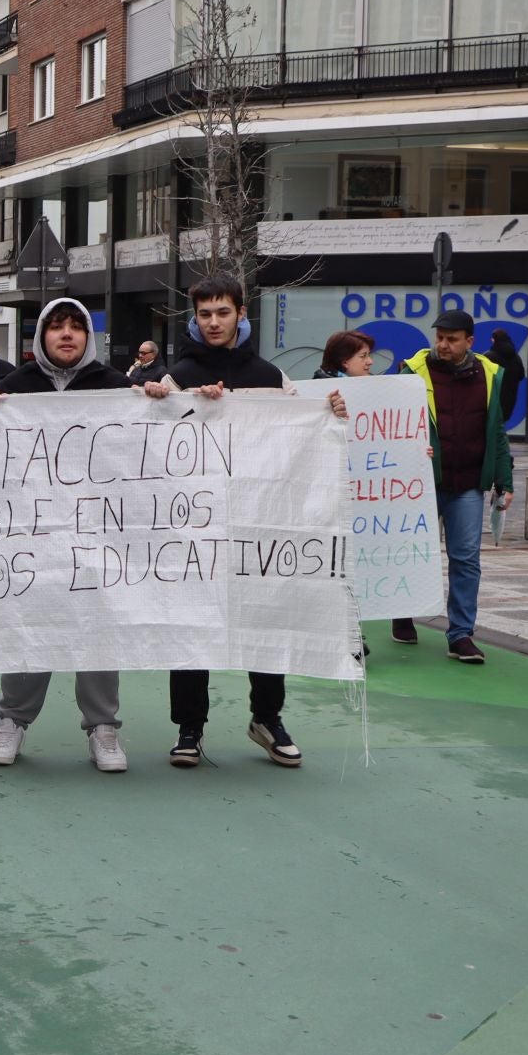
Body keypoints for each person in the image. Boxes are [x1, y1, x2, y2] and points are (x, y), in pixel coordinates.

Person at [147, 276, 306, 771]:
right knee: (192, 626)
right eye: (204, 314)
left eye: (222, 312)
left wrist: (332, 415)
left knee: (266, 618)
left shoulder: (272, 377)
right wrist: (164, 404)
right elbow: (153, 448)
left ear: (241, 313)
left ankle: (267, 719)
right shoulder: (177, 377)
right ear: (194, 319)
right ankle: (189, 729)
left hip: (257, 524)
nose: (213, 322)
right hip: (193, 530)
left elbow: (303, 435)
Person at [0, 299, 131, 772]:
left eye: (76, 327)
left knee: (98, 625)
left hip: (98, 532)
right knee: (31, 620)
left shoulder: (116, 386)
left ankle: (103, 728)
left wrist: (158, 403)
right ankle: (12, 721)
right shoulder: (13, 388)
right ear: (40, 335)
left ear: (87, 337)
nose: (66, 334)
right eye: (56, 326)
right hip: (32, 533)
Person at [392, 310, 514, 664]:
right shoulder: (412, 372)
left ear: (469, 342)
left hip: (469, 485)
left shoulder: (490, 375)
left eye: (452, 339)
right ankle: (402, 612)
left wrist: (504, 480)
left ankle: (461, 634)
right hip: (421, 484)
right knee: (413, 553)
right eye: (440, 337)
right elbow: (393, 426)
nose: (443, 345)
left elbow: (498, 432)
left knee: (466, 560)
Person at [486, 329, 525, 427]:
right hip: (509, 400)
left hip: (492, 400)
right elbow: (521, 376)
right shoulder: (516, 358)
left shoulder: (489, 357)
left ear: (494, 340)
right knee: (500, 427)